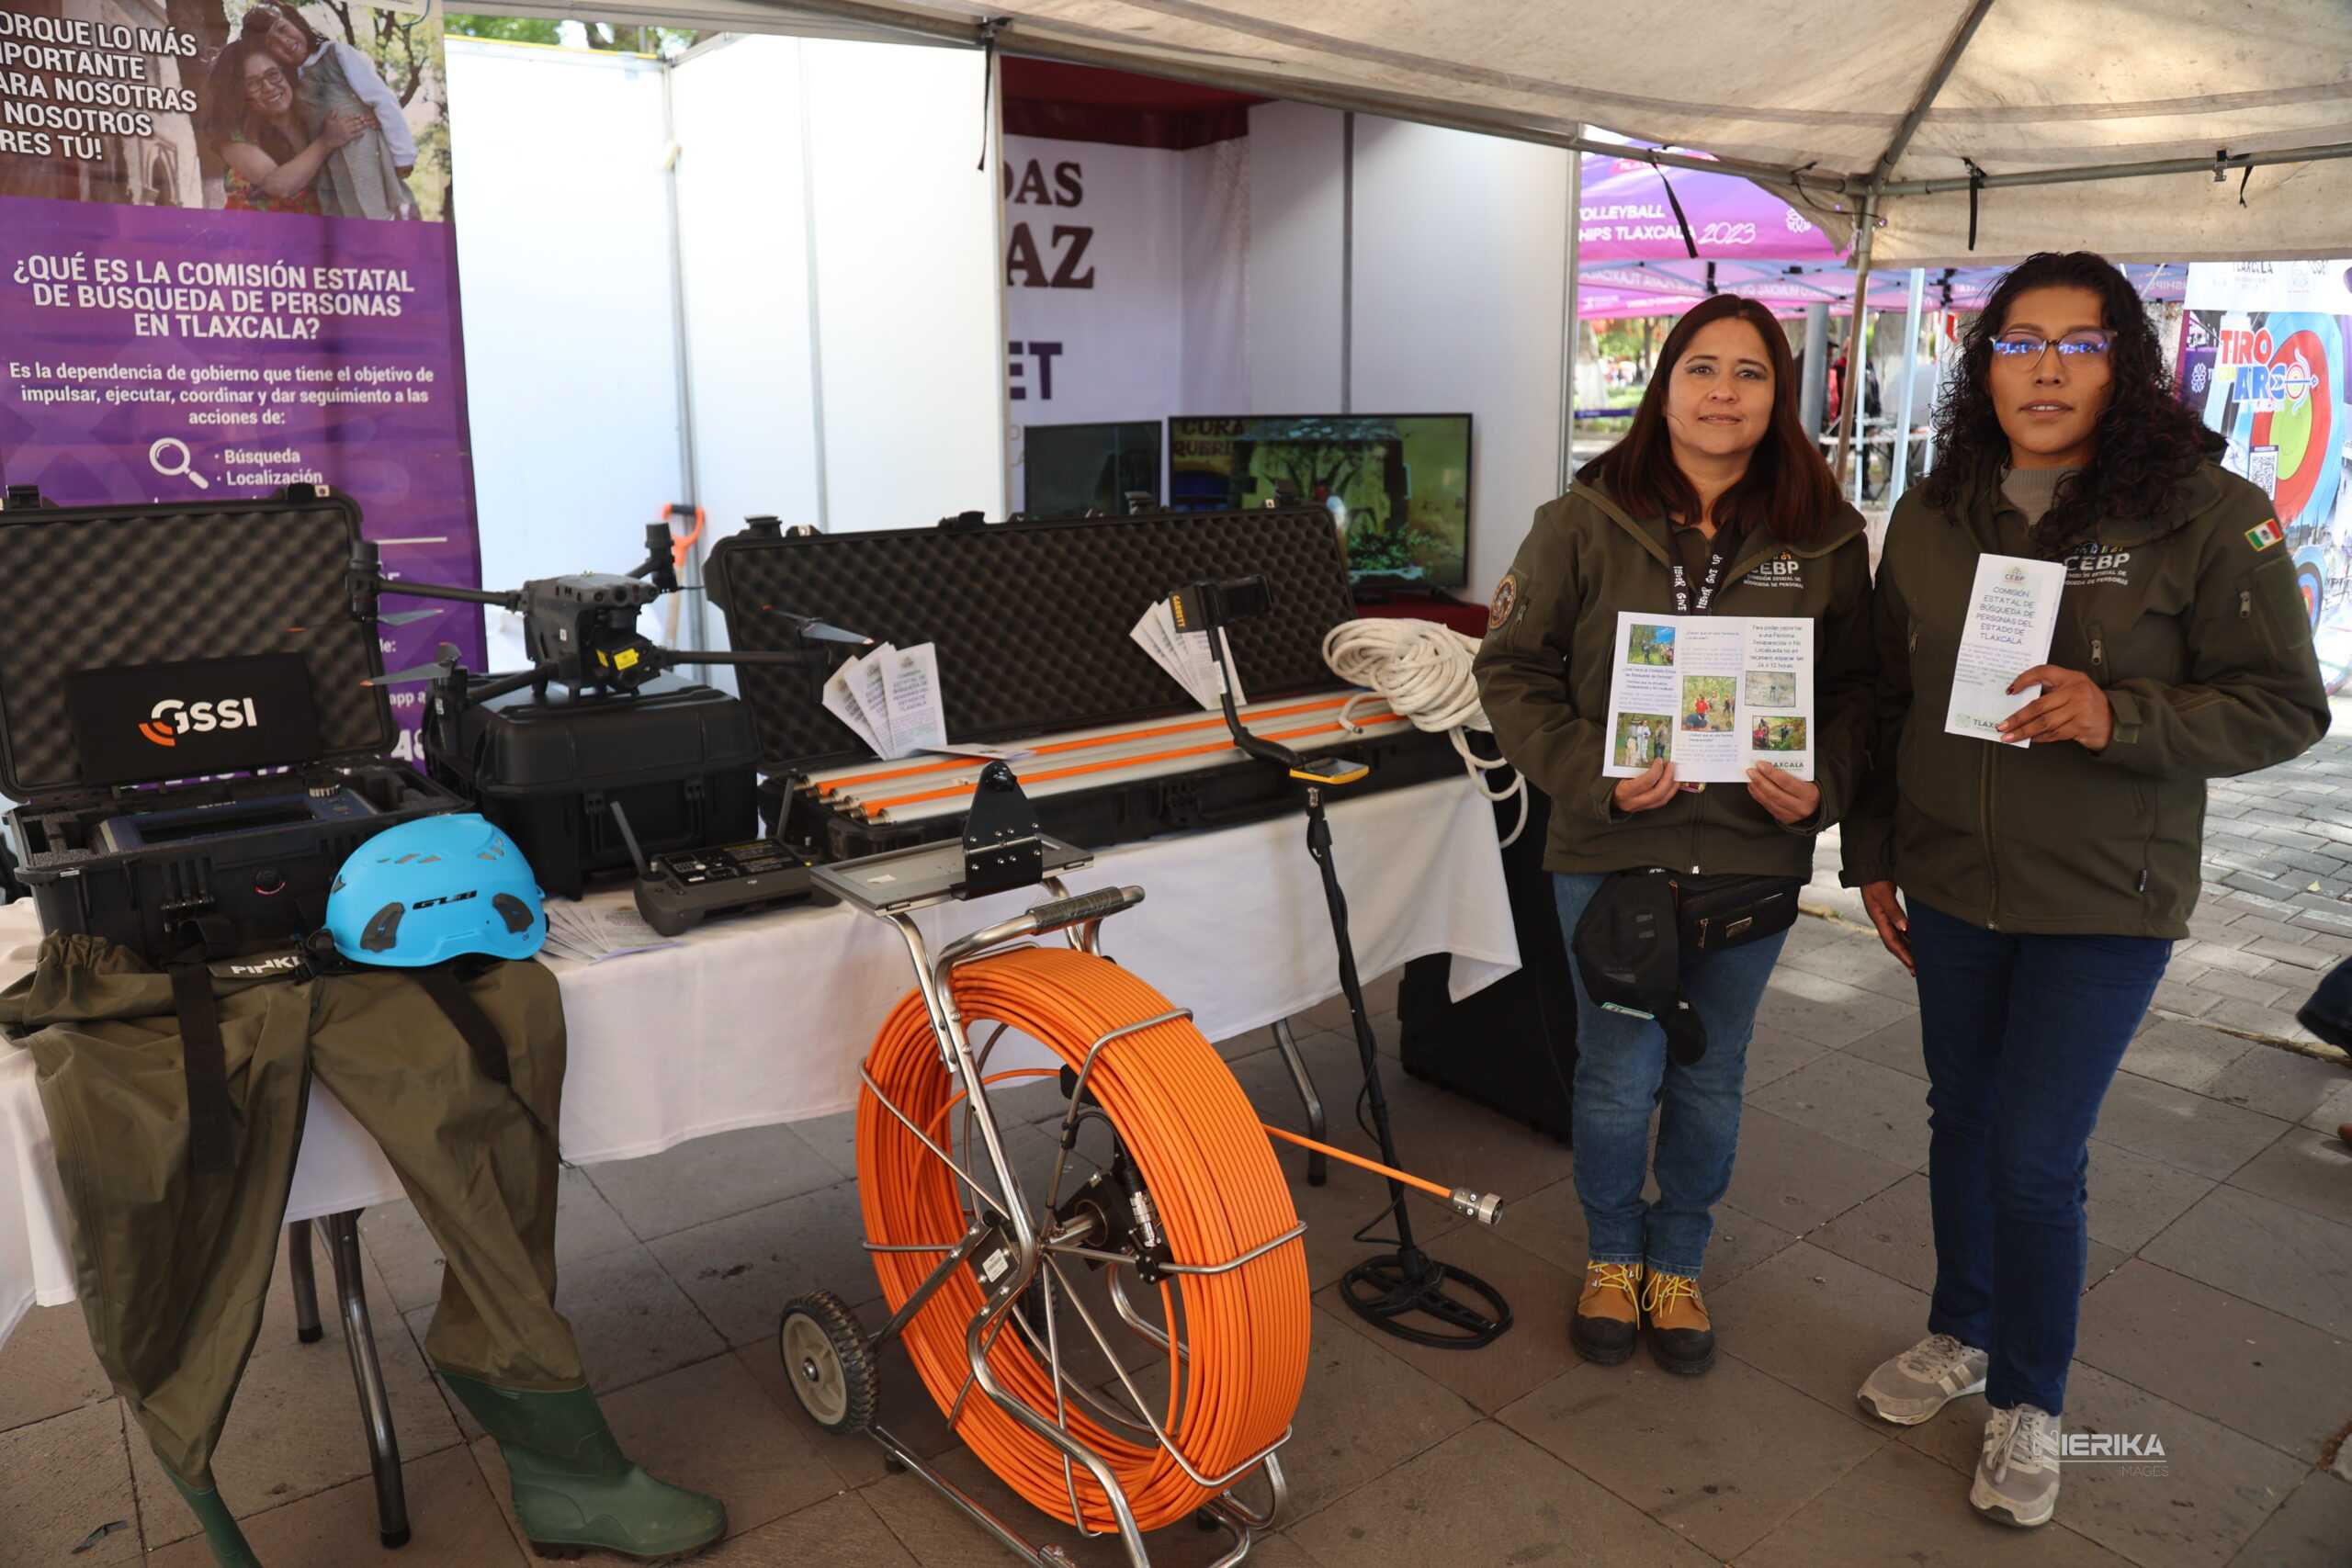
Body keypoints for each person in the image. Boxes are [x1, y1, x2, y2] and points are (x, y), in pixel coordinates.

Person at [1843, 251, 2330, 1529]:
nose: (2046, 365)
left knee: (2035, 1153)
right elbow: (1891, 699)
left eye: (2081, 340)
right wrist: (1875, 851)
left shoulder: (2208, 512)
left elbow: (2287, 704)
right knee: (1962, 1117)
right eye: (2019, 340)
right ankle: (1962, 1331)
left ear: (2128, 361)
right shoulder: (1936, 509)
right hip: (1951, 880)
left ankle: (2031, 1397)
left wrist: (2122, 713)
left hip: (2106, 897)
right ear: (1983, 362)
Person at [1476, 292, 1874, 1377]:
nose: (1723, 392)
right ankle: (1612, 1254)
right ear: (1664, 384)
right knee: (1614, 1073)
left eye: (1749, 373)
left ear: (1777, 396)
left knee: (1711, 1073)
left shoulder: (1826, 536)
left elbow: (1856, 691)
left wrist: (1824, 785)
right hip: (1609, 851)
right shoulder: (1581, 520)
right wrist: (1590, 782)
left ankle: (1678, 1261)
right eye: (1701, 368)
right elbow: (1509, 671)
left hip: (1751, 853)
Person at [244, 2, 415, 220]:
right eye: (272, 43)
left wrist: (403, 156)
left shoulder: (337, 54)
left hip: (362, 151)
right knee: (342, 216)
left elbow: (382, 99)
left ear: (296, 23)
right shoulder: (290, 82)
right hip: (330, 166)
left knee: (374, 211)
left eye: (283, 29)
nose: (285, 43)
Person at [198, 38, 367, 215]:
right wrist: (325, 143)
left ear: (285, 73)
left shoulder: (312, 115)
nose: (269, 87)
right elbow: (279, 186)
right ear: (239, 94)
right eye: (253, 83)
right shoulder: (233, 137)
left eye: (273, 74)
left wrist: (369, 118)